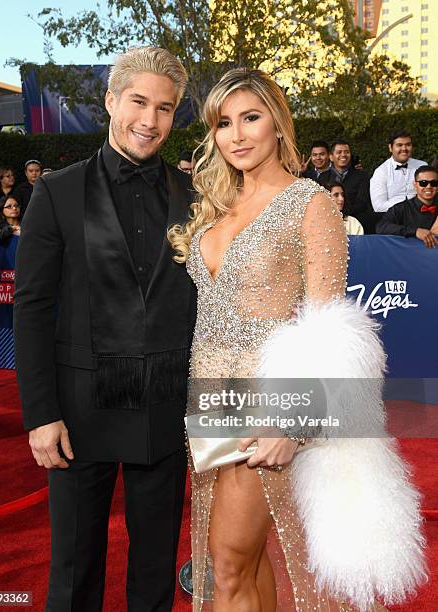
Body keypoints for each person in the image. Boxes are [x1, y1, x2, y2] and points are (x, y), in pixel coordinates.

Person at [169, 68, 425, 611]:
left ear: (278, 125)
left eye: (251, 118)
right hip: (212, 392)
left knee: (226, 564)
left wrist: (292, 418)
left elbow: (329, 323)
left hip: (270, 395)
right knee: (249, 559)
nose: (236, 135)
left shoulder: (308, 202)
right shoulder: (217, 205)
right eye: (223, 123)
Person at [14, 47, 196, 612]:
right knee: (74, 569)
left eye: (165, 108)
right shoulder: (58, 191)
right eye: (139, 101)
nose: (150, 119)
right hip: (78, 413)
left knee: (155, 570)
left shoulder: (195, 197)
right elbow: (32, 306)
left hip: (162, 409)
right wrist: (42, 414)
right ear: (112, 101)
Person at [317, 140, 377, 233]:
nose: (343, 155)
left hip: (356, 221)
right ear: (331, 157)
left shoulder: (362, 176)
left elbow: (362, 202)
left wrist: (343, 213)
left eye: (346, 152)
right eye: (339, 152)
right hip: (326, 221)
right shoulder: (322, 177)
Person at [377, 165, 438, 247]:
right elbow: (381, 227)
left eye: (434, 183)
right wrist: (415, 231)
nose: (429, 187)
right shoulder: (401, 208)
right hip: (408, 256)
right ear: (415, 185)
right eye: (423, 183)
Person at [370, 130, 427, 214]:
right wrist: (408, 206)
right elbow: (378, 206)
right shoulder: (381, 172)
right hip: (394, 218)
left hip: (422, 214)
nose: (404, 149)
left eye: (408, 145)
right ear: (390, 148)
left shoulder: (422, 166)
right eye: (399, 145)